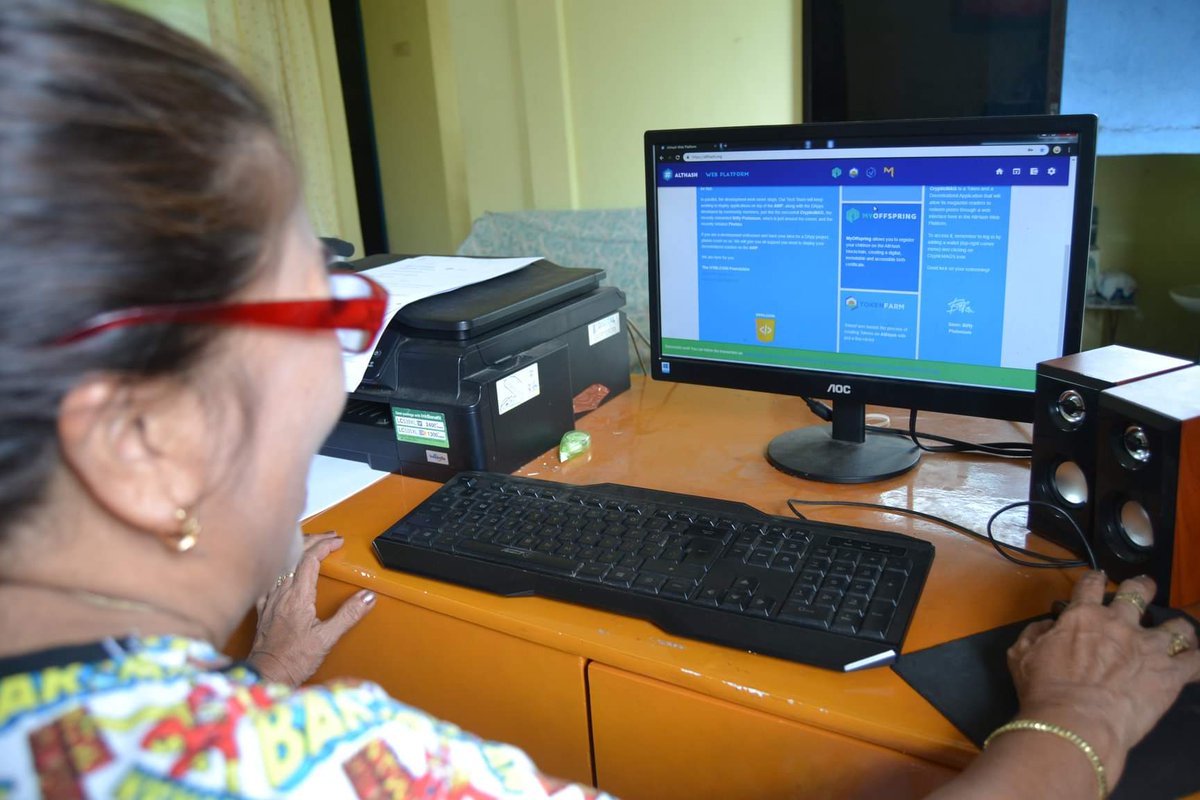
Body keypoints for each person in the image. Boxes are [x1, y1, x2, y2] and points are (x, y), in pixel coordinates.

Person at [0, 1, 1195, 798]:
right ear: (140, 438)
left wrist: (244, 695)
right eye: (326, 314)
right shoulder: (347, 763)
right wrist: (1073, 724)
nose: (341, 371)